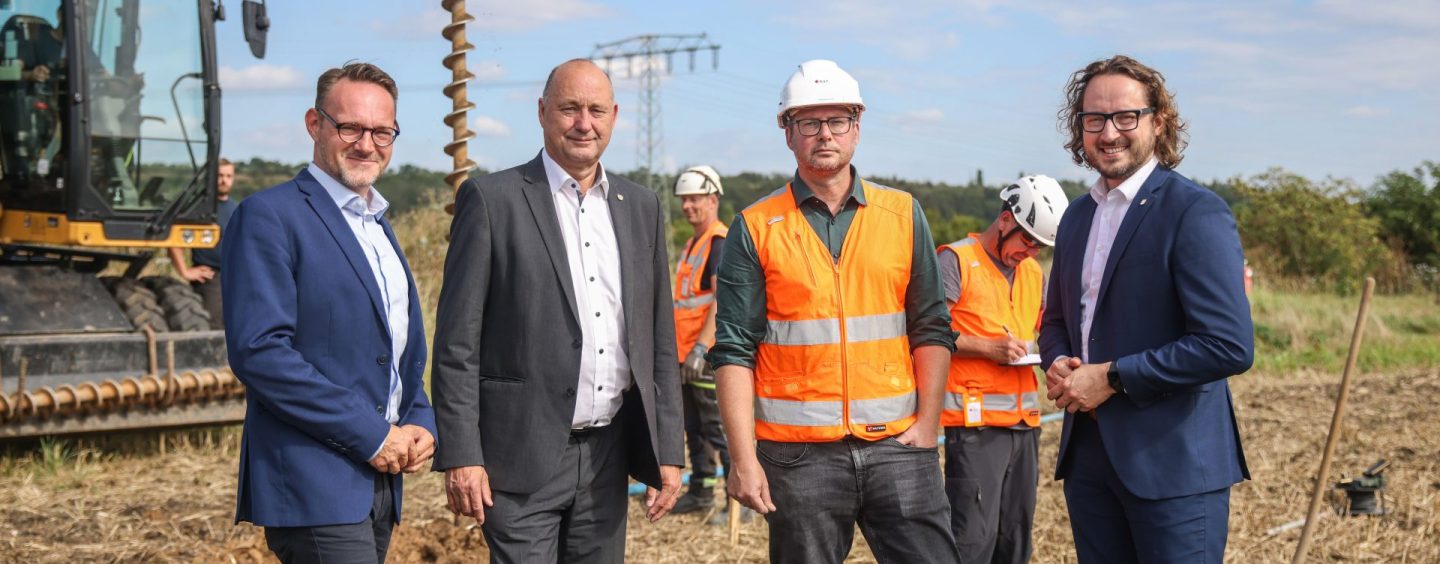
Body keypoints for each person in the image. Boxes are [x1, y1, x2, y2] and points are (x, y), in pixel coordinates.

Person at [431, 58, 684, 563]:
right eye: (569, 109)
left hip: (608, 456)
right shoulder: (491, 199)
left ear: (613, 115)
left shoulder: (641, 206)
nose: (583, 123)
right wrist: (462, 454)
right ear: (543, 112)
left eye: (595, 110)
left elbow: (659, 340)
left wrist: (669, 452)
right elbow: (457, 343)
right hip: (518, 456)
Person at [710, 59, 960, 564]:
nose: (824, 134)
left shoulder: (903, 214)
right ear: (788, 133)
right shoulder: (755, 226)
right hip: (797, 457)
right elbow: (734, 349)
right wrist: (742, 459)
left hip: (898, 447)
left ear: (857, 128)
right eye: (808, 122)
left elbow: (931, 326)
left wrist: (928, 423)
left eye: (837, 121)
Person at [1040, 54, 1254, 563]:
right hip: (1090, 460)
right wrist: (1059, 360)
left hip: (1173, 466)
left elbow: (1227, 345)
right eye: (1094, 119)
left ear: (1158, 122)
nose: (1109, 132)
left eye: (1125, 117)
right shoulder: (1075, 218)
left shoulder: (1194, 211)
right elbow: (1055, 321)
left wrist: (1111, 377)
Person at [222, 62, 435, 563]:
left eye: (382, 131)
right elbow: (261, 353)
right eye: (350, 128)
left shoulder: (378, 225)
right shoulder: (270, 217)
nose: (367, 144)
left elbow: (397, 348)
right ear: (314, 124)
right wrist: (374, 434)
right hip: (312, 482)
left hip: (378, 484)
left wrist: (421, 420)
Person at [938, 175, 1069, 563]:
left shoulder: (1032, 273)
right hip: (974, 426)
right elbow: (929, 331)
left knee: (1015, 538)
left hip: (1024, 423)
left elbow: (1048, 331)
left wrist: (1060, 362)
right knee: (972, 539)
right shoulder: (956, 259)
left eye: (1039, 247)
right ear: (1006, 218)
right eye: (1027, 241)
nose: (1029, 252)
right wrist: (985, 347)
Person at [668, 165, 733, 518]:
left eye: (694, 199)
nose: (687, 206)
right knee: (694, 428)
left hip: (704, 353)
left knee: (718, 428)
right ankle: (701, 494)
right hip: (685, 351)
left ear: (712, 199)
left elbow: (720, 299)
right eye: (683, 200)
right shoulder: (693, 243)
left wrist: (699, 349)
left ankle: (737, 502)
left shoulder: (719, 243)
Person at [168, 158, 235, 328]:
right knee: (212, 331)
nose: (224, 180)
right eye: (220, 175)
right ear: (212, 178)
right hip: (210, 279)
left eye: (228, 176)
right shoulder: (199, 208)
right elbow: (174, 239)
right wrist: (185, 271)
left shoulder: (236, 207)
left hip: (235, 278)